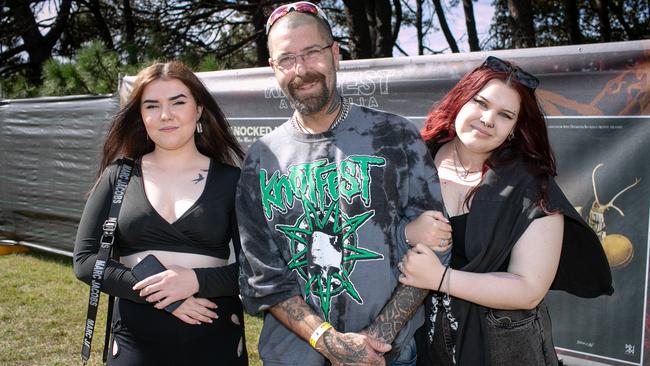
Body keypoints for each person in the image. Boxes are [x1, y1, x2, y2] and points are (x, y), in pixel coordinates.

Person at [236, 2, 447, 365]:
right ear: (273, 69)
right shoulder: (261, 158)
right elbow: (263, 279)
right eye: (287, 58)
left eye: (312, 52)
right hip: (294, 356)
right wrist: (330, 342)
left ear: (335, 54)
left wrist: (376, 340)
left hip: (388, 355)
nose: (301, 70)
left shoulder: (396, 136)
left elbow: (435, 247)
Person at [397, 56, 614, 365]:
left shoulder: (531, 186)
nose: (487, 119)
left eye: (505, 115)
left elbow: (528, 289)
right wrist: (406, 232)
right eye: (480, 103)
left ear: (514, 128)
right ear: (460, 100)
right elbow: (367, 239)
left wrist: (440, 278)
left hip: (503, 347)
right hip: (418, 344)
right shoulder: (412, 161)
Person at [73, 61, 248, 365]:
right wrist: (166, 296)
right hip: (133, 339)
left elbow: (254, 268)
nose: (165, 115)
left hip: (214, 337)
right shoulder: (119, 176)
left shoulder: (232, 180)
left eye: (178, 102)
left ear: (199, 110)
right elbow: (85, 262)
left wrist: (195, 280)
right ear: (141, 116)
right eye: (152, 106)